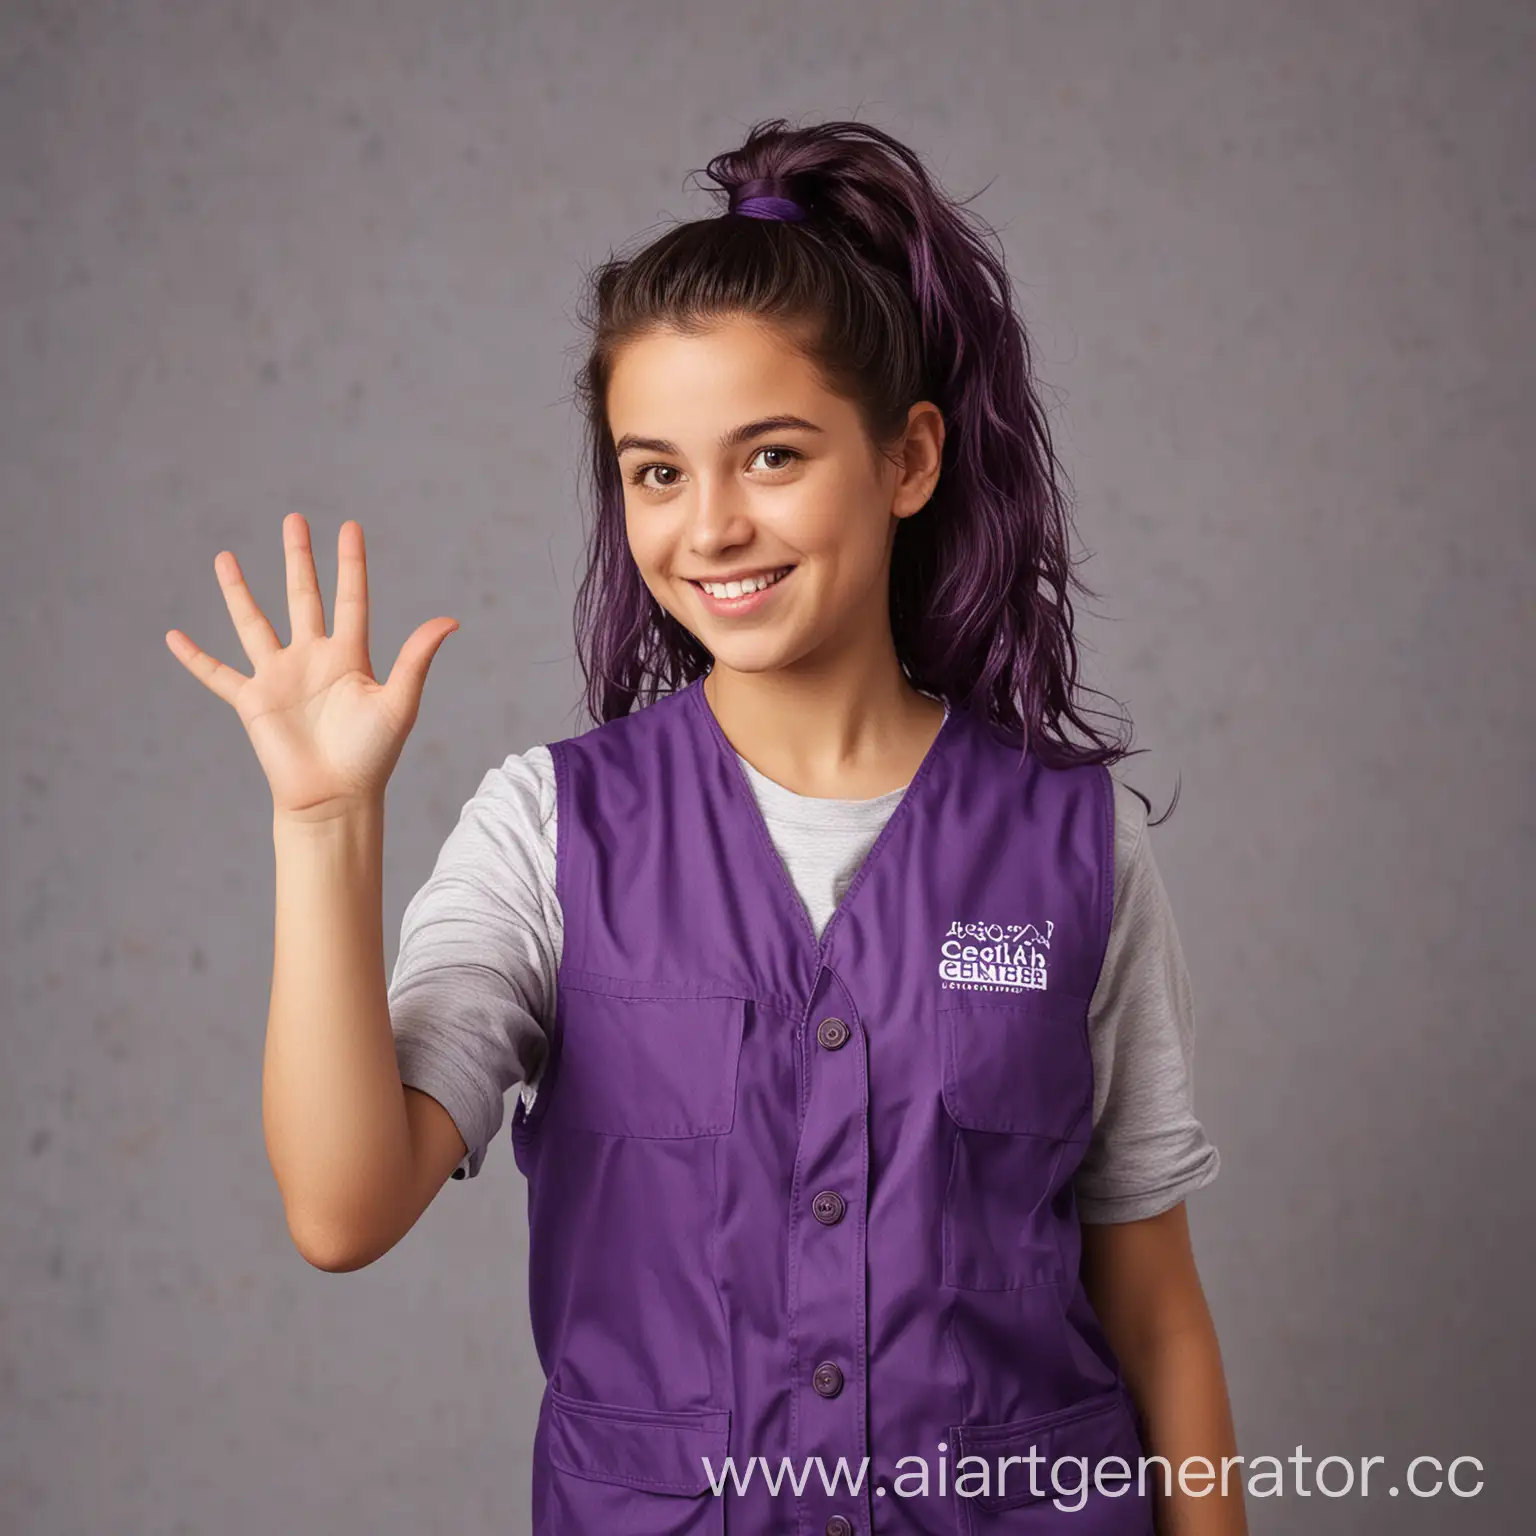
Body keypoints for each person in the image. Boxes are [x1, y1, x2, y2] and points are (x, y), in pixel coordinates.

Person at [168, 117, 1244, 1535]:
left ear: (907, 458)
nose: (710, 526)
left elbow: (1156, 1310)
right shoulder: (549, 831)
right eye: (657, 472)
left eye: (774, 456)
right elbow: (342, 1210)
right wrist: (322, 823)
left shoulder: (1077, 841)